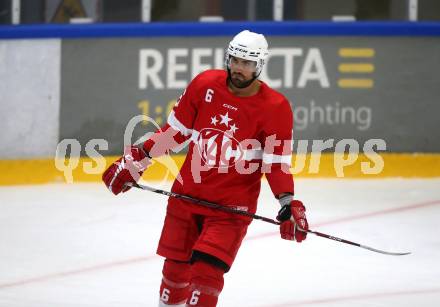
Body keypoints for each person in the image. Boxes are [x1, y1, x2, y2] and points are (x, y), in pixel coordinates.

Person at [102, 30, 309, 306]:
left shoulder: (275, 107)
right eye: (235, 60)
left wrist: (287, 202)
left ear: (260, 65)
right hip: (185, 199)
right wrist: (138, 157)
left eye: (247, 63)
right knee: (173, 276)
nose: (238, 68)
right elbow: (175, 133)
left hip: (230, 211)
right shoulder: (204, 85)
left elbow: (276, 163)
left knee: (205, 277)